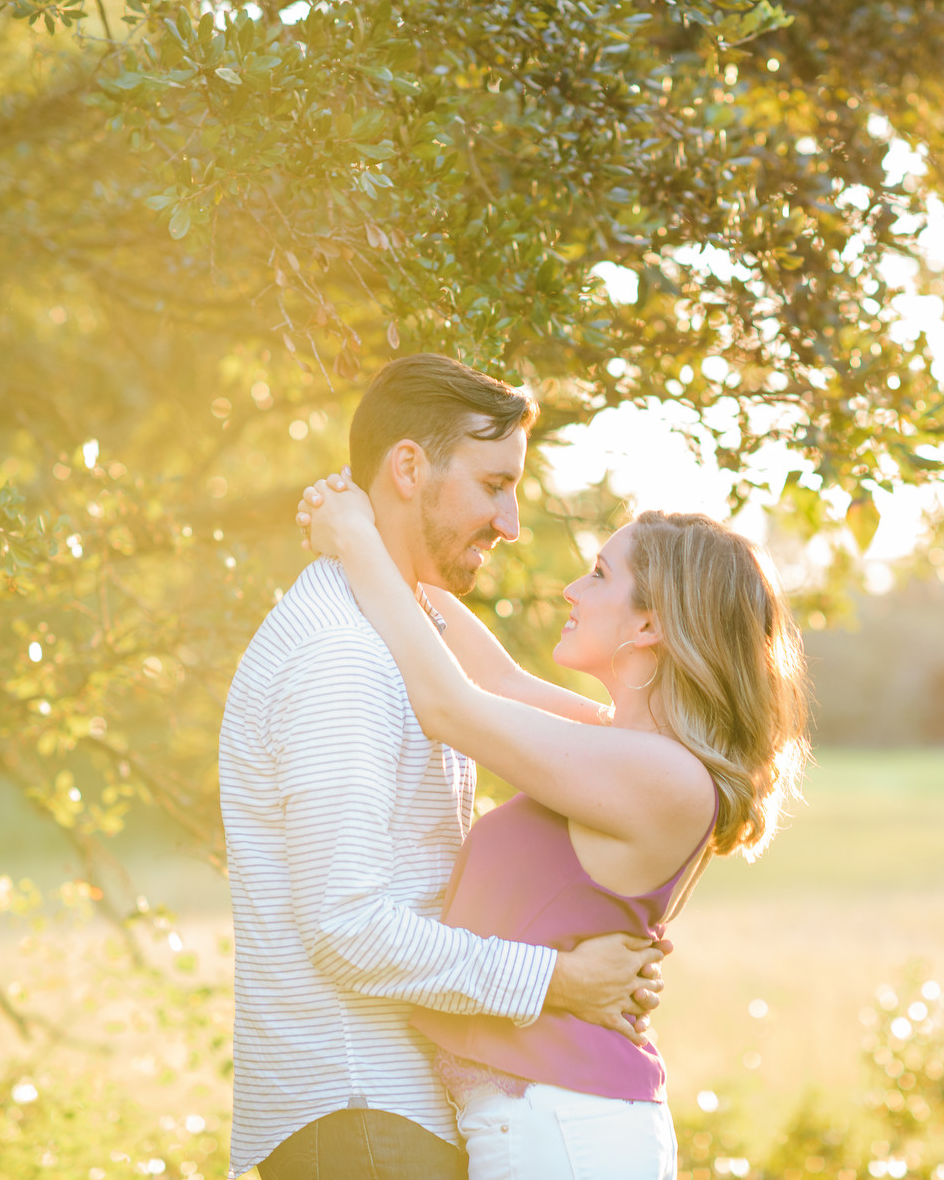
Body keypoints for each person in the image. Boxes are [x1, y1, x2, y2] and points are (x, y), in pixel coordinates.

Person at [294, 453, 810, 1178]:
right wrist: (382, 544)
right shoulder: (620, 746)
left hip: (565, 1125)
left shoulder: (661, 777)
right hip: (544, 1118)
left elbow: (450, 706)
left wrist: (355, 540)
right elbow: (490, 677)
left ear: (649, 626)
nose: (572, 589)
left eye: (599, 575)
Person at [219, 354, 667, 1180]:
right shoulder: (342, 657)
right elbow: (345, 929)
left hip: (389, 1114)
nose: (512, 522)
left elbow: (506, 697)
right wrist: (558, 981)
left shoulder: (402, 632)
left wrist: (360, 537)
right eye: (495, 484)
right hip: (360, 1114)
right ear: (409, 468)